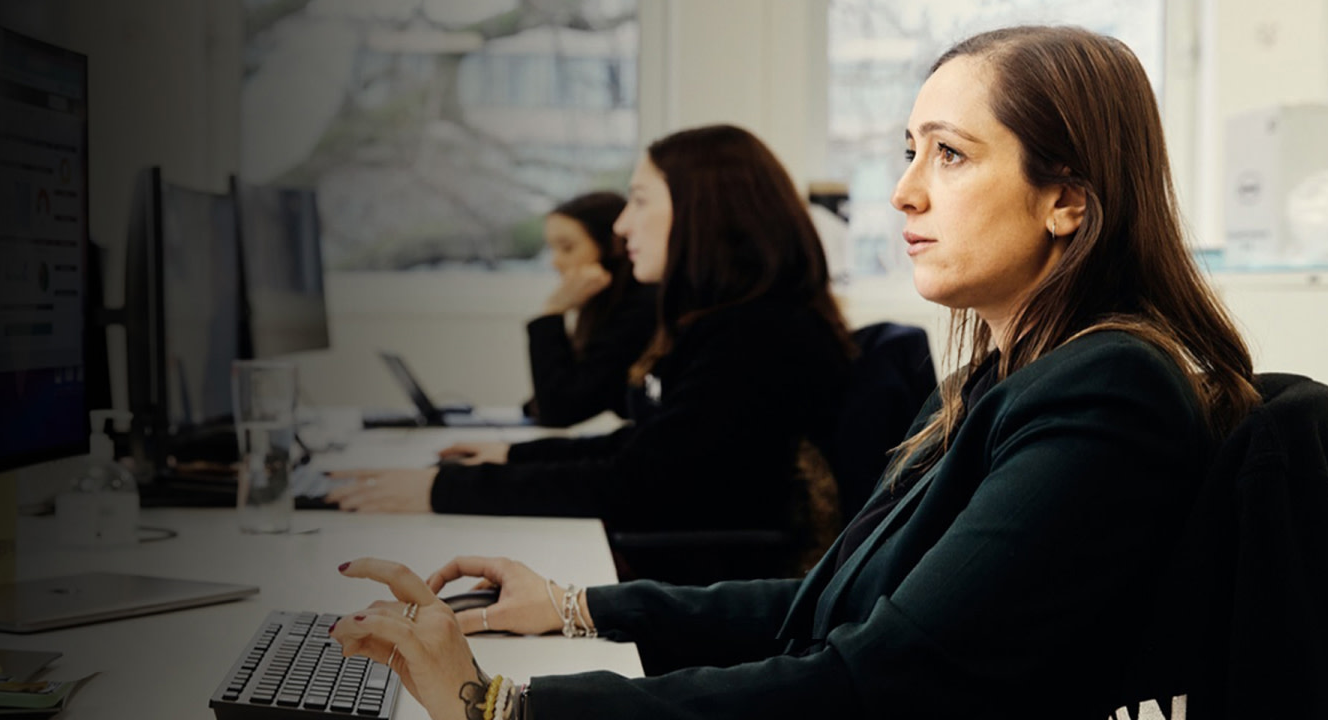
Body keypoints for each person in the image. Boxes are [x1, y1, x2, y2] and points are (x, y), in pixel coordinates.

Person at [325, 25, 1260, 719]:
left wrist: (504, 707)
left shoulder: (1105, 393)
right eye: (910, 151)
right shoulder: (1013, 381)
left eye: (951, 154)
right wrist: (572, 607)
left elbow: (876, 680)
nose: (905, 190)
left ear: (1066, 202)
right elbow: (832, 607)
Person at [325, 124, 857, 540]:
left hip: (698, 587)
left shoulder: (755, 338)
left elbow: (636, 484)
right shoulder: (734, 322)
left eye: (641, 201)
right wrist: (512, 456)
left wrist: (444, 488)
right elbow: (653, 448)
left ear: (704, 212)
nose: (623, 225)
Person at [520, 191, 658, 428]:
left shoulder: (641, 308)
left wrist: (553, 311)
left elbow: (560, 409)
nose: (555, 262)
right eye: (552, 248)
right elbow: (544, 402)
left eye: (567, 247)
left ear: (614, 244)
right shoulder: (610, 304)